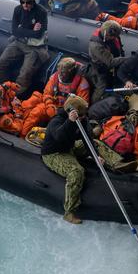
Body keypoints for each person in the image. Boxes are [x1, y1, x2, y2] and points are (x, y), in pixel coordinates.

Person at [40, 94, 91, 224]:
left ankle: (116, 163)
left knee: (96, 144)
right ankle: (69, 211)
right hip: (54, 153)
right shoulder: (56, 121)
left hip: (69, 148)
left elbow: (87, 139)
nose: (84, 117)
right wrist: (70, 121)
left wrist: (95, 155)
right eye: (82, 115)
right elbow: (59, 136)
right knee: (76, 172)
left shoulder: (82, 119)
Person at [0, 0, 51, 96]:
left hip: (34, 47)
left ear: (33, 1)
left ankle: (15, 95)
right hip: (19, 42)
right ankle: (1, 87)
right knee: (2, 61)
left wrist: (22, 30)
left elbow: (38, 34)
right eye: (22, 2)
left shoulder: (41, 12)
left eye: (28, 3)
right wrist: (31, 30)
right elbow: (14, 31)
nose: (25, 5)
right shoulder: (18, 10)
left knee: (25, 73)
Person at [88, 20, 126, 93]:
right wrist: (127, 59)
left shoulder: (115, 36)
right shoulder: (96, 45)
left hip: (115, 63)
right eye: (112, 36)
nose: (114, 38)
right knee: (102, 89)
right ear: (106, 34)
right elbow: (110, 62)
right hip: (100, 69)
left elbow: (120, 49)